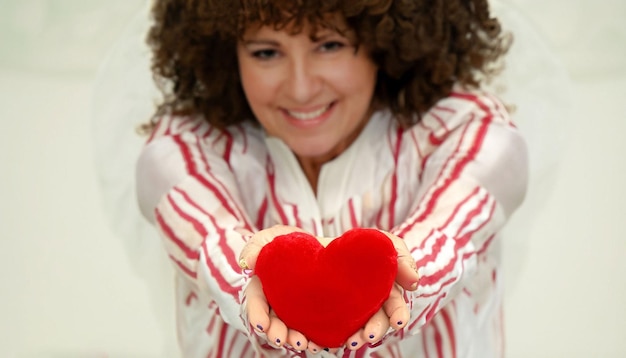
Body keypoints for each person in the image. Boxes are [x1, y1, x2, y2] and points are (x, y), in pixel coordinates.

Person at [134, 0, 528, 357]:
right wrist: (250, 276)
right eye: (266, 52)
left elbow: (450, 232)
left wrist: (397, 273)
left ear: (384, 41)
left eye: (329, 45)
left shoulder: (467, 131)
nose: (301, 88)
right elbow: (208, 237)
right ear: (225, 52)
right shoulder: (184, 146)